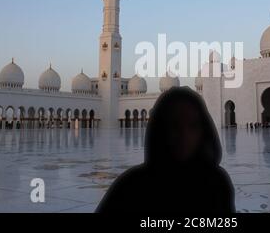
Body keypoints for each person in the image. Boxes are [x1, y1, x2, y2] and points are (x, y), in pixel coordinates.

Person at [96, 87, 235, 214]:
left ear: (204, 130)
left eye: (193, 126)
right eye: (174, 125)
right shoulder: (131, 187)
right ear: (160, 130)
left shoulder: (216, 183)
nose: (183, 135)